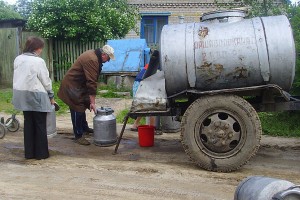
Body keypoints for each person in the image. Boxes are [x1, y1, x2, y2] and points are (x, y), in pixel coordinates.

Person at [58, 45, 115, 145]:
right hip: (72, 85)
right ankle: (78, 135)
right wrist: (93, 102)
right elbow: (91, 82)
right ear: (103, 55)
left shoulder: (94, 56)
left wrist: (89, 100)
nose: (108, 61)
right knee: (77, 108)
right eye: (108, 58)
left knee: (83, 104)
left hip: (79, 85)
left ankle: (84, 128)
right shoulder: (92, 60)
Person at [12, 36, 55, 160]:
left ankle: (29, 153)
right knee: (40, 124)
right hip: (36, 95)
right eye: (41, 48)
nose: (41, 50)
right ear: (36, 48)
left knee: (28, 123)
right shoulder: (38, 61)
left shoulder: (18, 59)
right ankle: (41, 154)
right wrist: (51, 94)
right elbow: (45, 80)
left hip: (21, 95)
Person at [130, 64, 155, 131]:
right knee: (152, 107)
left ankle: (135, 124)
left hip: (137, 83)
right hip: (142, 84)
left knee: (142, 107)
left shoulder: (148, 66)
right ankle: (152, 128)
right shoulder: (156, 66)